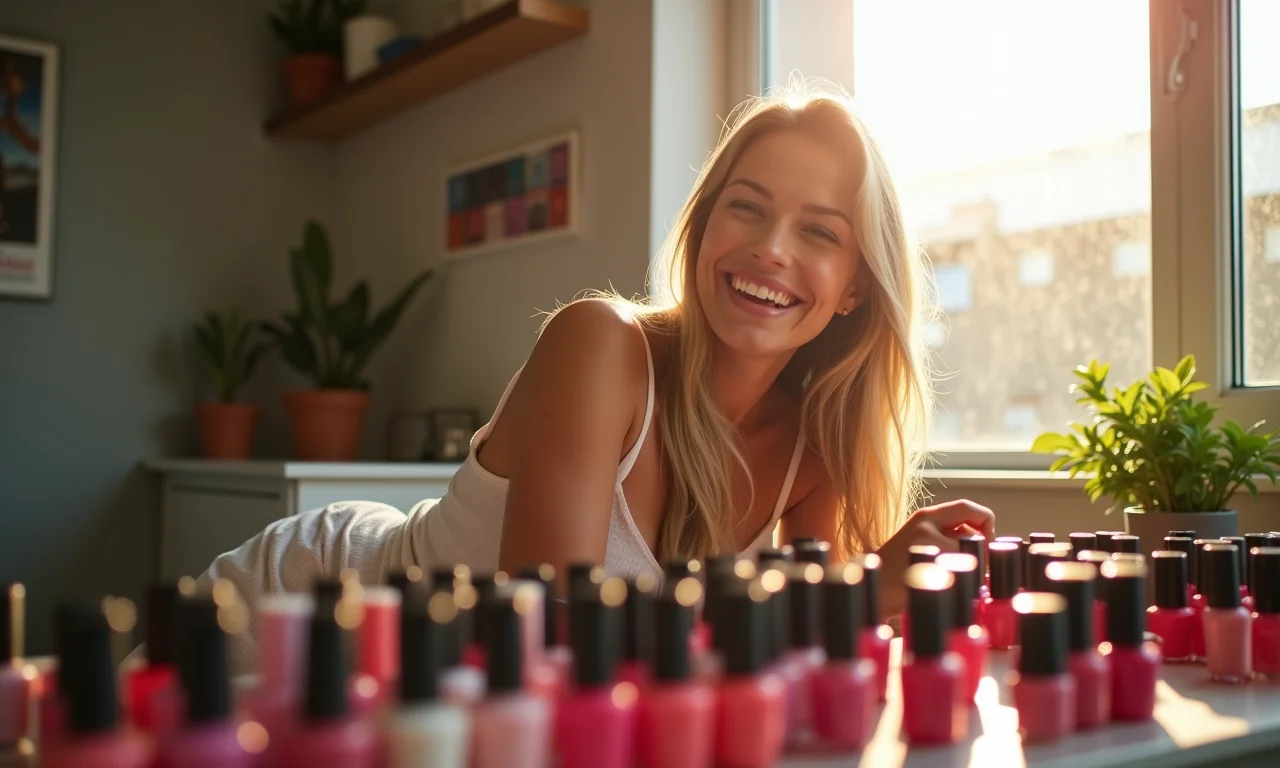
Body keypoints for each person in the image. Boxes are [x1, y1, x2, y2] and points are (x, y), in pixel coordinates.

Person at [194, 80, 996, 669]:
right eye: (746, 207)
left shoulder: (811, 451)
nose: (772, 248)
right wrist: (849, 597)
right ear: (706, 227)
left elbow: (797, 667)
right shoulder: (601, 346)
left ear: (857, 284)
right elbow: (550, 646)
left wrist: (893, 585)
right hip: (306, 621)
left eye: (819, 231)